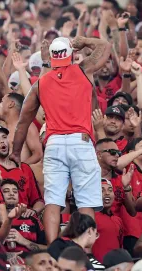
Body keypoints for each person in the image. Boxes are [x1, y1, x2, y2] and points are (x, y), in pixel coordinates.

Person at [9, 36, 112, 245]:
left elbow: (23, 122)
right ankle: (86, 251)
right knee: (85, 204)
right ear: (71, 54)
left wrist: (15, 153)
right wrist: (83, 41)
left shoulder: (40, 83)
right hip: (80, 142)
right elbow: (106, 47)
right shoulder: (83, 70)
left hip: (54, 143)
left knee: (53, 202)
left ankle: (52, 248)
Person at [0, 125, 44, 216]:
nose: (2, 141)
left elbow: (38, 201)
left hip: (24, 221)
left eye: (4, 137)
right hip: (0, 221)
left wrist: (34, 211)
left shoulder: (25, 168)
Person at [0, 178, 47, 254]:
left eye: (15, 191)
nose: (11, 194)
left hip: (29, 262)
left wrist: (23, 241)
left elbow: (48, 248)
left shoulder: (30, 218)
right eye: (6, 191)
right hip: (3, 262)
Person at [0, 93, 42, 164]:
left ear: (11, 104)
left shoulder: (27, 126)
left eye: (2, 101)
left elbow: (38, 154)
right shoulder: (0, 129)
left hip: (22, 173)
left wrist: (20, 169)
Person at [92, 179, 124, 262]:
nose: (107, 193)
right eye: (101, 190)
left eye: (110, 190)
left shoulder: (118, 220)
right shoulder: (90, 217)